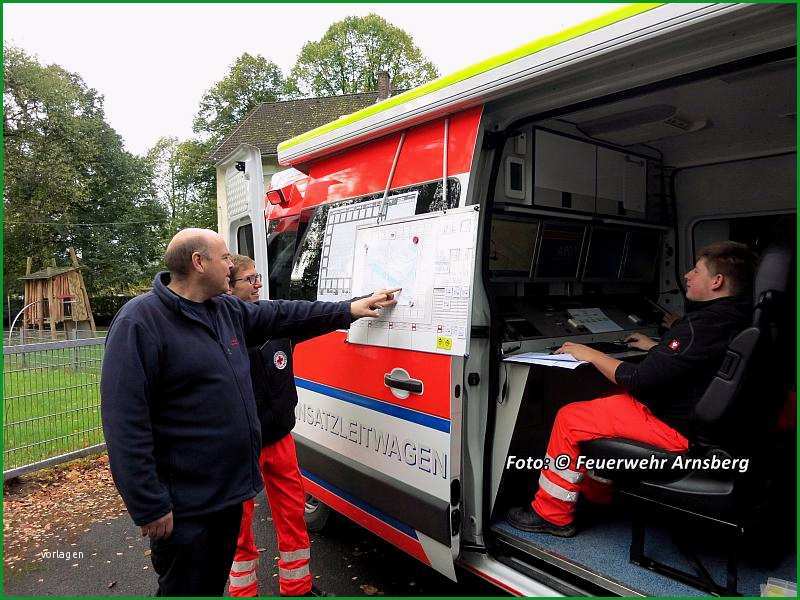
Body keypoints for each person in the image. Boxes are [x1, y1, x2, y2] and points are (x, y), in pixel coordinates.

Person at [100, 229, 398, 596]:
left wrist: (348, 309)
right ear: (199, 263)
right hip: (185, 506)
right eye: (225, 257)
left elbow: (284, 314)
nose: (231, 264)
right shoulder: (141, 321)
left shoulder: (223, 310)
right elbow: (124, 422)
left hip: (227, 495)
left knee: (209, 584)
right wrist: (147, 503)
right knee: (184, 588)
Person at [507, 241, 757, 537]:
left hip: (678, 430)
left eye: (696, 270)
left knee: (570, 418)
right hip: (706, 422)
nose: (687, 275)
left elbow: (640, 380)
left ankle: (552, 514)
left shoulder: (701, 324)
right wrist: (656, 347)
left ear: (717, 282)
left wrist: (590, 354)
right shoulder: (739, 315)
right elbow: (701, 360)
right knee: (605, 403)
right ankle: (599, 494)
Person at [225, 255, 319, 597]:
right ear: (229, 287)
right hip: (240, 447)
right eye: (249, 280)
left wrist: (352, 309)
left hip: (279, 439)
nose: (258, 285)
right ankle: (243, 592)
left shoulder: (274, 323)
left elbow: (312, 318)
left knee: (293, 513)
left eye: (257, 277)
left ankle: (297, 587)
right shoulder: (222, 331)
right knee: (239, 527)